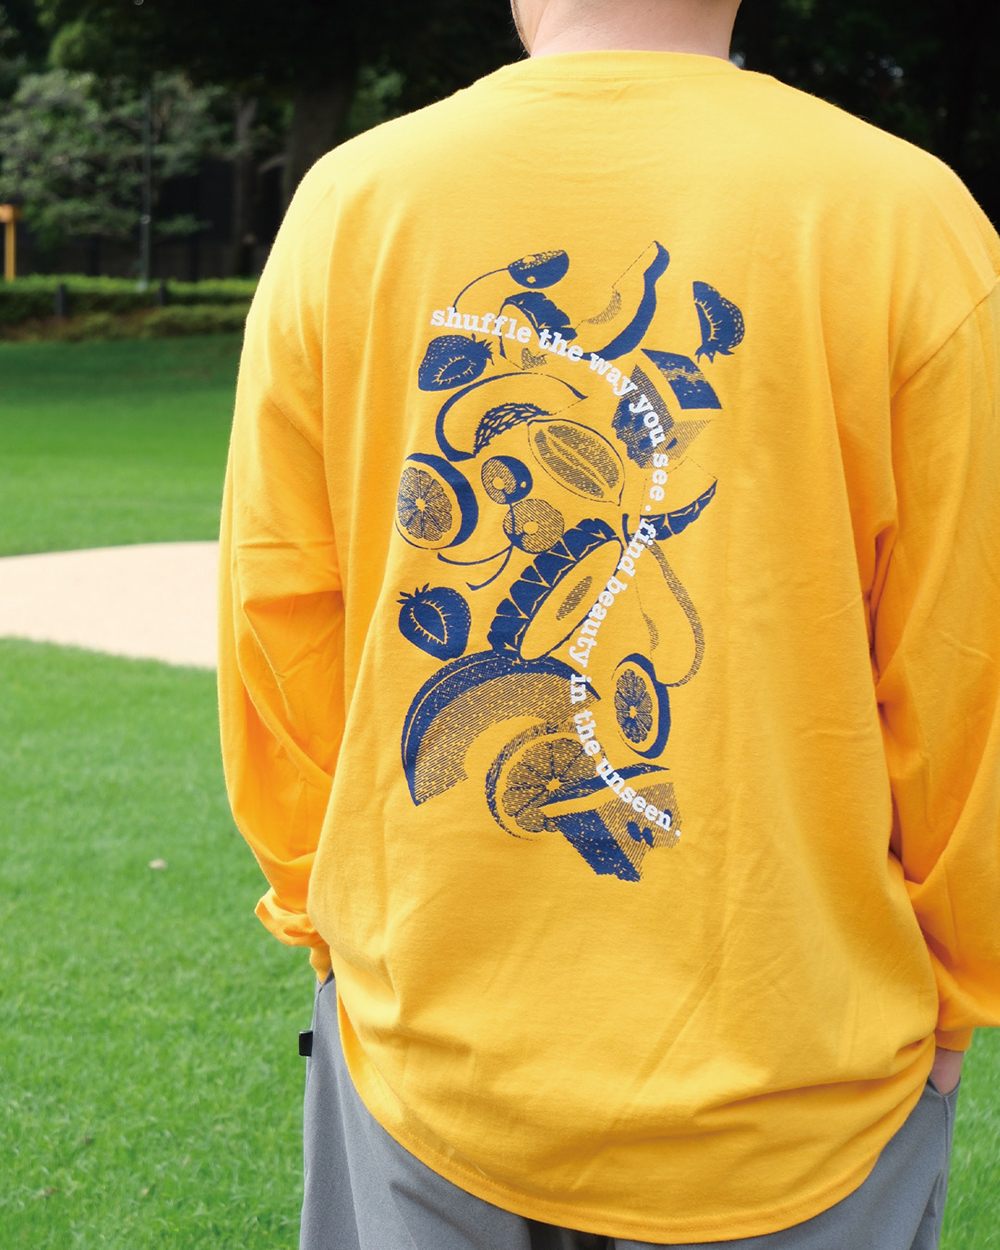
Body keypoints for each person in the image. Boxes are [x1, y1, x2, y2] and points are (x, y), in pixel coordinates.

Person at [217, 0, 1000, 1245]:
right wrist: (959, 985)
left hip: (427, 1059)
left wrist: (325, 911)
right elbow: (967, 668)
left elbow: (278, 615)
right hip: (801, 1085)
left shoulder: (352, 208)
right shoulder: (906, 218)